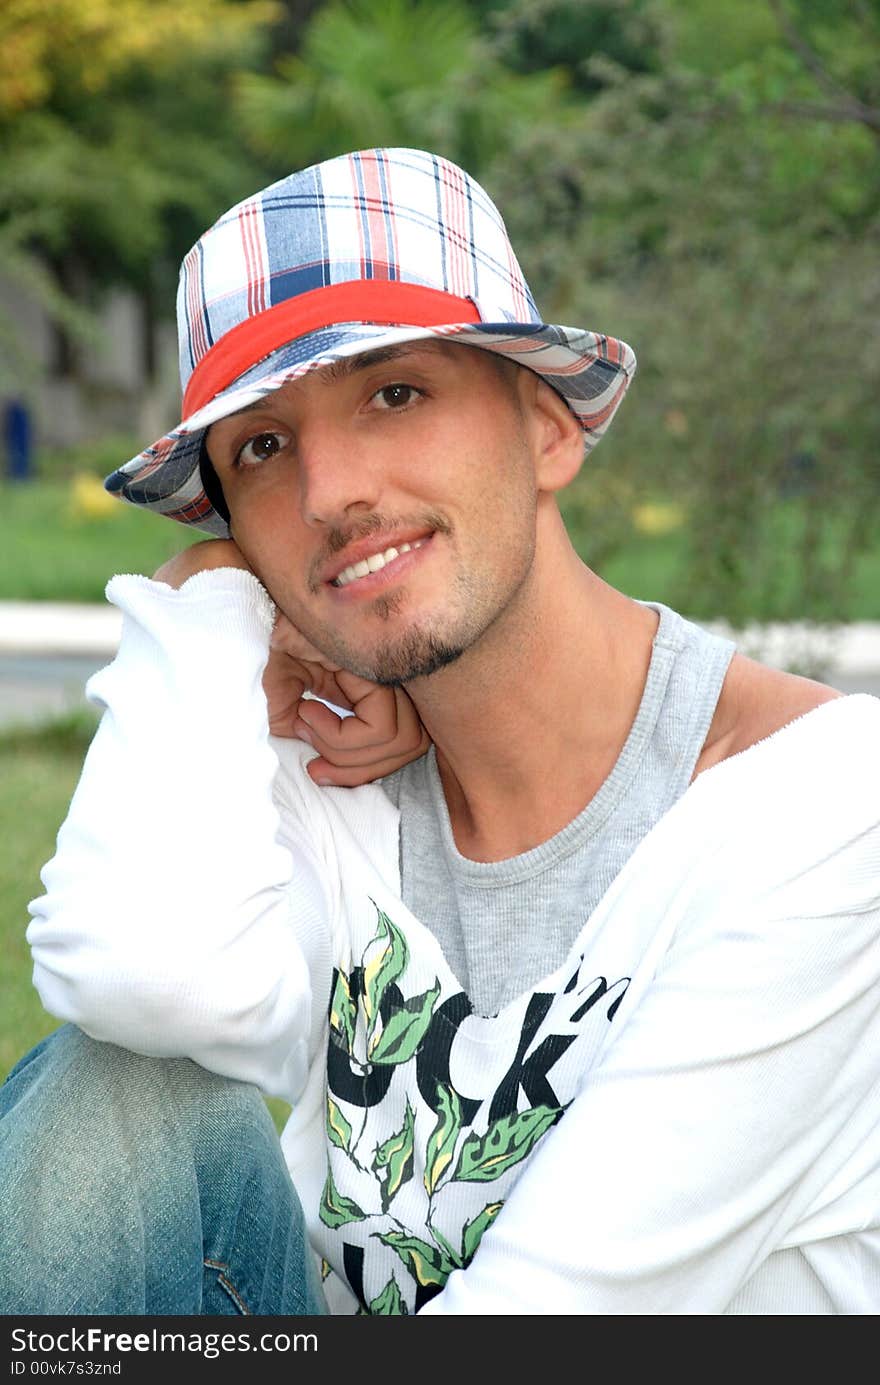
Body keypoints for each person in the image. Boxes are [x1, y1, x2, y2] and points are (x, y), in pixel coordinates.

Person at [2, 147, 879, 1317]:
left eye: (394, 392)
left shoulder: (824, 806)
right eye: (261, 447)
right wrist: (209, 607)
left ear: (548, 429)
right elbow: (140, 978)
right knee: (111, 1101)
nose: (328, 493)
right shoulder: (328, 779)